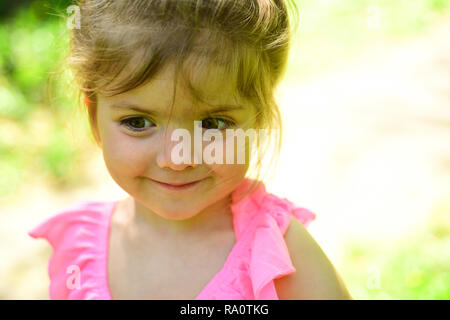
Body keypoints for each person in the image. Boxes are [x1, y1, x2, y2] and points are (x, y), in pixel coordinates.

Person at [28, 0, 352, 300]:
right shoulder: (79, 251)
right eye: (138, 122)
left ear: (258, 118)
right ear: (94, 119)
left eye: (212, 124)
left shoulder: (279, 254)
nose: (176, 159)